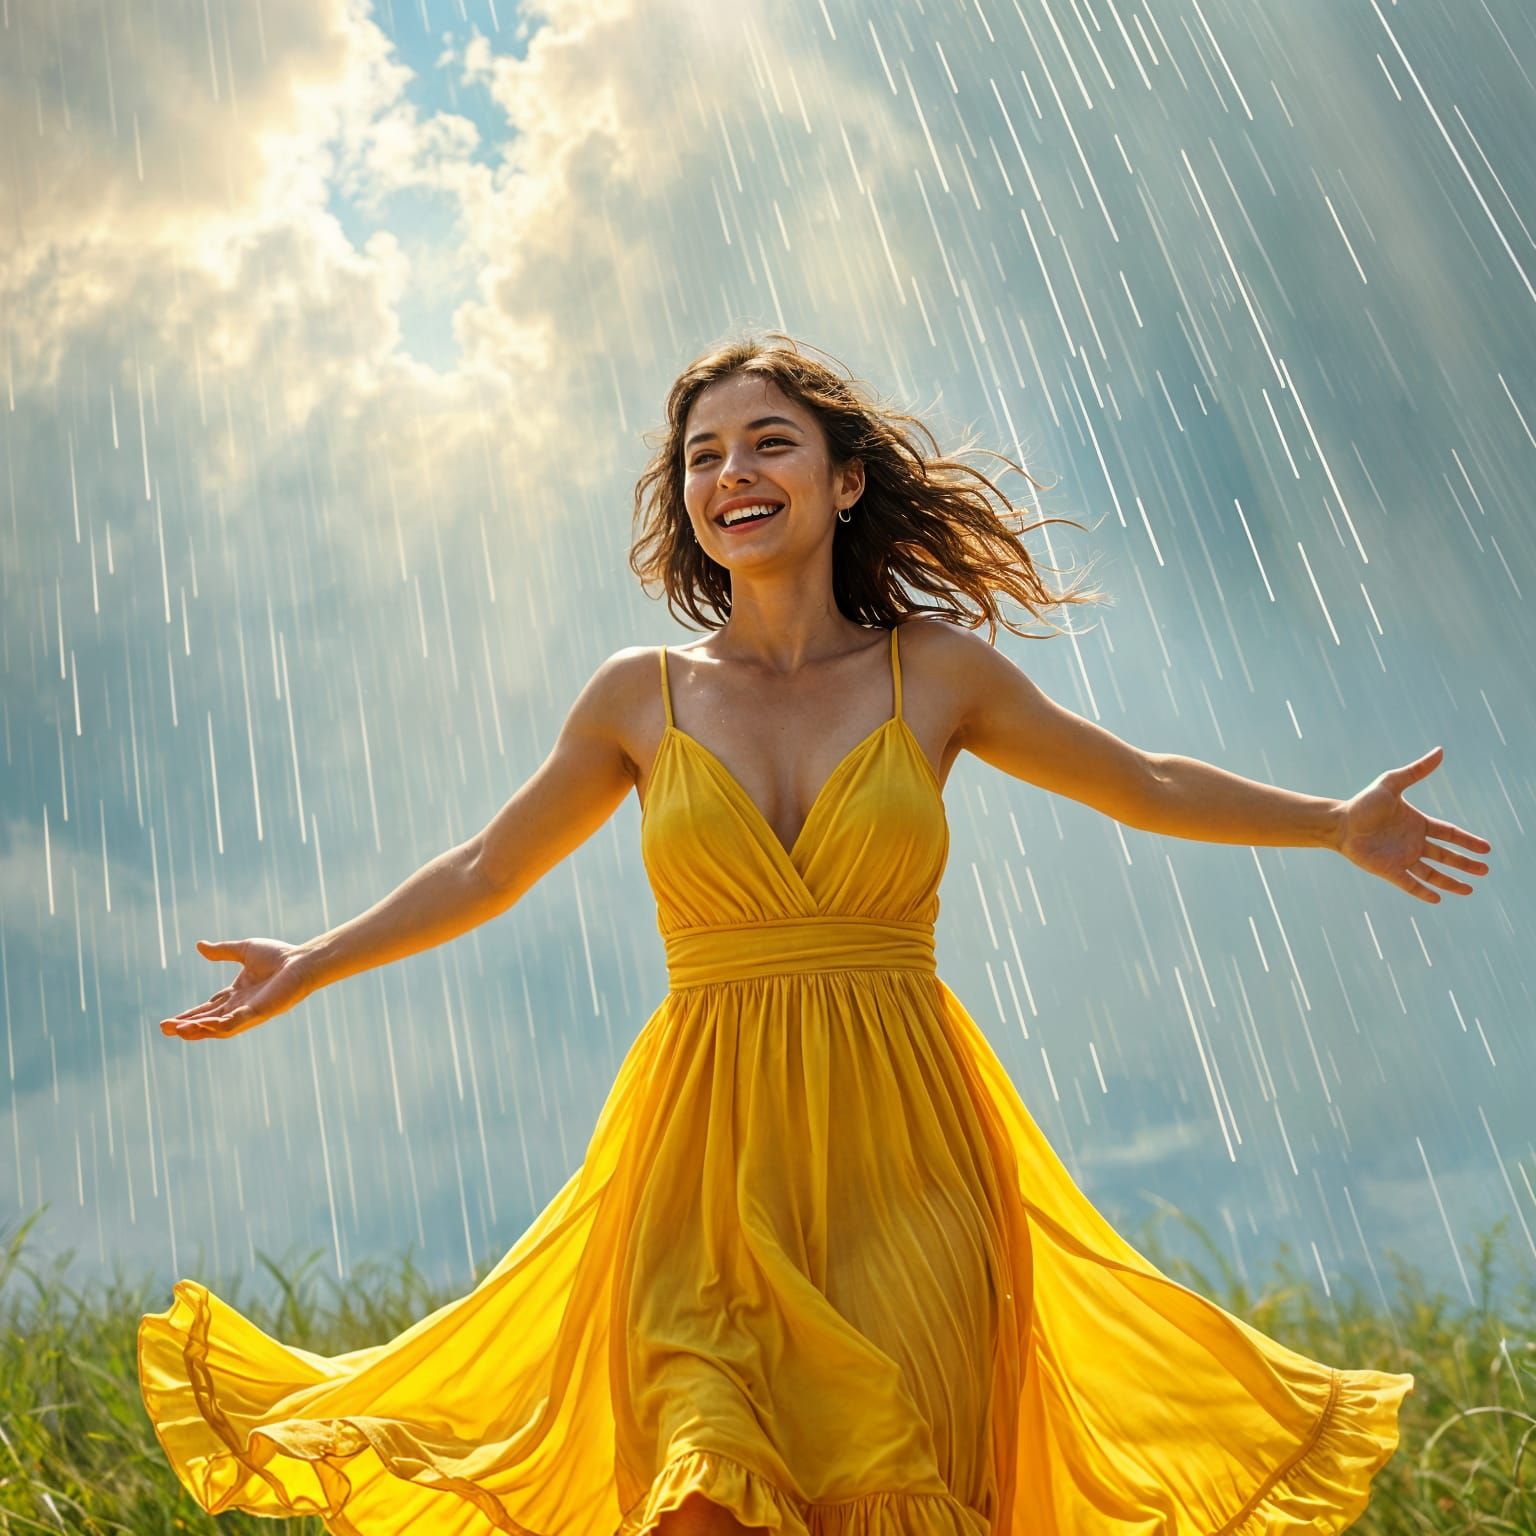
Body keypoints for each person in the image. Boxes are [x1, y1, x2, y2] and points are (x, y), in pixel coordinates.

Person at [139, 332, 1491, 1535]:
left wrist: (1331, 820)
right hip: (700, 1158)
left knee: (891, 1488)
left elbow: (1141, 783)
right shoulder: (637, 696)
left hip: (912, 1161)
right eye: (702, 455)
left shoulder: (936, 673)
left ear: (846, 480)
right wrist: (310, 959)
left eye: (767, 442)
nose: (731, 472)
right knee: (699, 1487)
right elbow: (491, 866)